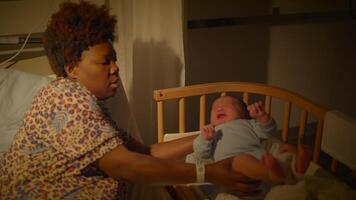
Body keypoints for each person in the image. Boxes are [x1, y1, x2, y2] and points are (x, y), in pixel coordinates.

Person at [0, 2, 257, 199]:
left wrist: (217, 132)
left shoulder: (88, 105)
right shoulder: (66, 99)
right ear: (72, 68)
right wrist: (209, 173)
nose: (115, 68)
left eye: (114, 59)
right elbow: (128, 166)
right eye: (105, 62)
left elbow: (144, 152)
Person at [192, 96, 286, 184]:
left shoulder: (249, 124)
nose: (219, 107)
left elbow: (268, 132)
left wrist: (263, 118)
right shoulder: (212, 132)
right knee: (241, 160)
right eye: (214, 108)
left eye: (228, 105)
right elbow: (201, 153)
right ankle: (274, 176)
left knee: (286, 149)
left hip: (260, 159)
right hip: (230, 168)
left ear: (244, 114)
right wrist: (205, 139)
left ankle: (294, 169)